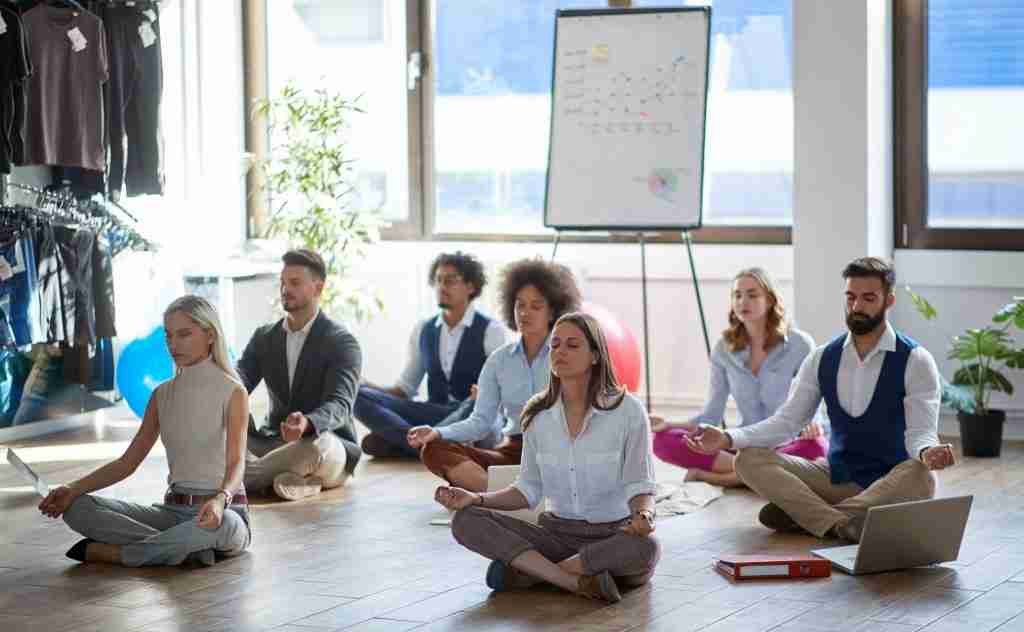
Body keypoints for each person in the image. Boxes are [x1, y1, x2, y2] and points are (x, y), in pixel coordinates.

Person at [686, 258, 956, 542]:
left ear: (888, 301)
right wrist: (728, 438)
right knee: (748, 459)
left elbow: (920, 432)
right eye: (850, 297)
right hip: (835, 478)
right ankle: (841, 522)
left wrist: (928, 451)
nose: (856, 307)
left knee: (921, 475)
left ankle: (810, 517)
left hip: (890, 482)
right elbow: (787, 422)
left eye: (868, 298)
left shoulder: (915, 360)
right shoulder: (822, 358)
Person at [435, 313, 660, 604]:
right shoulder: (537, 414)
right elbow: (527, 489)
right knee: (465, 520)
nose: (560, 352)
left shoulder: (628, 411)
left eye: (572, 345)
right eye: (555, 345)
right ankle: (572, 581)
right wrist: (475, 499)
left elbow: (640, 484)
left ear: (595, 355)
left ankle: (533, 573)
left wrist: (645, 516)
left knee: (645, 548)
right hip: (556, 536)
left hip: (613, 536)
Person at [38, 296, 251, 567]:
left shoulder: (233, 392)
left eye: (184, 334)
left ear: (210, 334)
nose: (174, 345)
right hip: (172, 513)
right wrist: (71, 489)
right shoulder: (161, 395)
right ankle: (184, 550)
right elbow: (127, 463)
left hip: (223, 512)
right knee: (77, 508)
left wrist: (221, 501)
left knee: (227, 526)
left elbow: (236, 463)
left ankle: (125, 554)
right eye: (169, 336)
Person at [409, 259, 582, 492]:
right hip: (512, 453)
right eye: (519, 305)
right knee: (434, 448)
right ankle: (503, 496)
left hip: (559, 454)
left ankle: (501, 495)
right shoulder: (499, 360)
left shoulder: (569, 356)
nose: (524, 312)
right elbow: (480, 422)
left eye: (535, 306)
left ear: (552, 311)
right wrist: (437, 432)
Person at [650, 268, 827, 487]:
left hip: (786, 441)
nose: (743, 301)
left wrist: (813, 424)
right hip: (742, 443)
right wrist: (668, 423)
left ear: (770, 300)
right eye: (737, 295)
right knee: (662, 441)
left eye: (752, 295)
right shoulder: (723, 349)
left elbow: (811, 402)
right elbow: (711, 415)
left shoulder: (800, 344)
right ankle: (755, 474)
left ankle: (719, 478)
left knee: (817, 448)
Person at [237, 249, 363, 501]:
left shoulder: (342, 342)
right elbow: (239, 381)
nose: (285, 289)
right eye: (283, 283)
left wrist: (308, 422)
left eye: (294, 282)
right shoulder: (264, 337)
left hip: (325, 443)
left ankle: (243, 479)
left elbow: (340, 404)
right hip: (274, 443)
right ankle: (295, 482)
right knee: (229, 432)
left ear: (318, 287)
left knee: (316, 448)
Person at [355, 251, 508, 458]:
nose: (442, 287)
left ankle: (411, 443)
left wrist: (485, 392)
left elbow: (502, 386)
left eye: (450, 280)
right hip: (435, 412)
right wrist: (363, 384)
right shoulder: (424, 329)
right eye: (438, 280)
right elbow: (404, 389)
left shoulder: (491, 330)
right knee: (358, 396)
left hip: (470, 414)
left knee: (374, 444)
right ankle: (426, 445)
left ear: (471, 286)